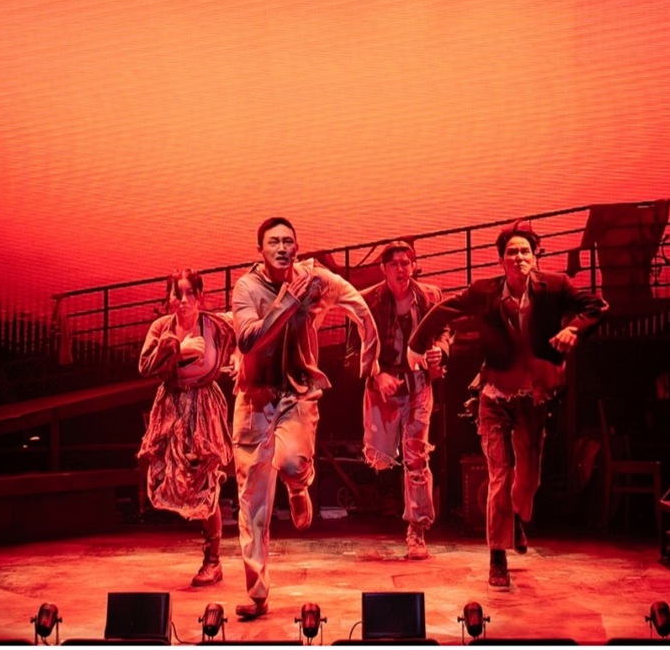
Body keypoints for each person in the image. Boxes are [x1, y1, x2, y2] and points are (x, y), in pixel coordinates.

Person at [409, 221, 607, 590]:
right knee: (499, 474)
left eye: (524, 251)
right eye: (511, 252)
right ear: (501, 260)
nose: (518, 257)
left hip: (533, 399)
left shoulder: (555, 287)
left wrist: (574, 329)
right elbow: (443, 310)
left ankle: (516, 518)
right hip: (494, 397)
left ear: (535, 257)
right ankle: (497, 556)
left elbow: (596, 305)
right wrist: (416, 346)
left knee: (527, 482)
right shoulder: (483, 292)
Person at [230, 217, 380, 619]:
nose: (282, 248)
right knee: (252, 503)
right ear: (260, 250)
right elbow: (248, 338)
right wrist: (287, 302)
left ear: (297, 247)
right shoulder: (245, 287)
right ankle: (258, 594)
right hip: (254, 399)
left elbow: (356, 304)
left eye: (288, 242)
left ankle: (298, 486)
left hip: (296, 394)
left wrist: (371, 356)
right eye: (273, 242)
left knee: (293, 462)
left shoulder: (314, 280)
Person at [346, 240, 451, 559]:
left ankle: (417, 529)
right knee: (380, 456)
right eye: (394, 264)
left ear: (414, 266)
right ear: (383, 269)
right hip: (383, 388)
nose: (401, 269)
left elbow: (445, 331)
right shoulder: (366, 302)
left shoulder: (430, 296)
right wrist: (376, 375)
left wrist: (440, 351)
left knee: (416, 455)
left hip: (418, 384)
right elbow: (352, 353)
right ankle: (390, 504)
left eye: (406, 263)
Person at [137, 269, 236, 588]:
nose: (183, 300)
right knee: (168, 477)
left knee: (204, 479)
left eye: (189, 293)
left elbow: (245, 335)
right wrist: (179, 349)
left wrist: (239, 359)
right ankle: (209, 552)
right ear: (168, 299)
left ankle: (213, 560)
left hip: (203, 407)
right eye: (176, 294)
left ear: (200, 297)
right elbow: (145, 366)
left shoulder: (216, 325)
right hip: (172, 407)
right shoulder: (161, 329)